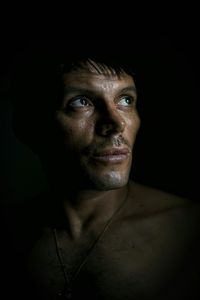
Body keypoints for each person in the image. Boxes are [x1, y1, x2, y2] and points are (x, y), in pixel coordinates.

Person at [2, 40, 200, 300]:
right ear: (29, 126)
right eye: (81, 101)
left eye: (126, 100)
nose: (116, 124)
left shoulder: (189, 233)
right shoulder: (13, 236)